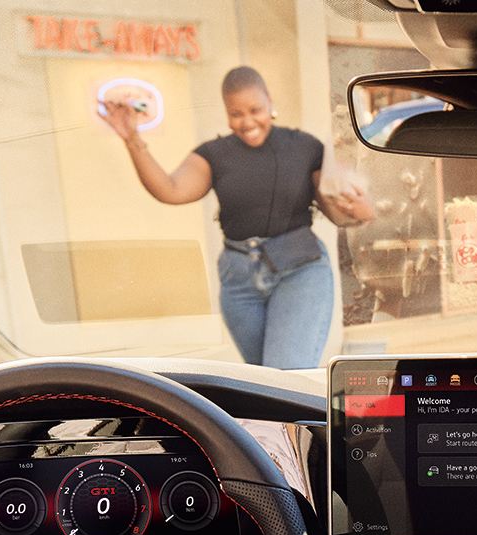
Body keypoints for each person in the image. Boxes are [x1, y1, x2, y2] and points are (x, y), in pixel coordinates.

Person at [100, 66, 374, 369]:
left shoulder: (304, 147)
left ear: (269, 102)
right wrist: (132, 141)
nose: (247, 122)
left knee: (285, 373)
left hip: (300, 271)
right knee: (263, 385)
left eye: (255, 109)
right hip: (239, 280)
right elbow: (171, 190)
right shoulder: (214, 154)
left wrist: (359, 211)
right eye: (236, 113)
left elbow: (336, 210)